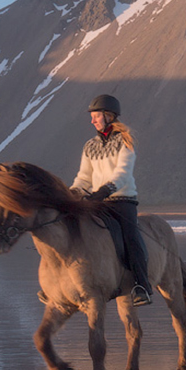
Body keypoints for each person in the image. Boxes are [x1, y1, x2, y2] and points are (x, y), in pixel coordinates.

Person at [71, 94, 152, 306]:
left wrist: (105, 190)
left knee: (131, 238)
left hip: (122, 200)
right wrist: (73, 193)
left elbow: (123, 173)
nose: (92, 120)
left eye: (96, 116)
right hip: (98, 202)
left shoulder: (125, 141)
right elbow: (84, 177)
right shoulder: (89, 145)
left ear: (108, 116)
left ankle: (141, 285)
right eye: (92, 117)